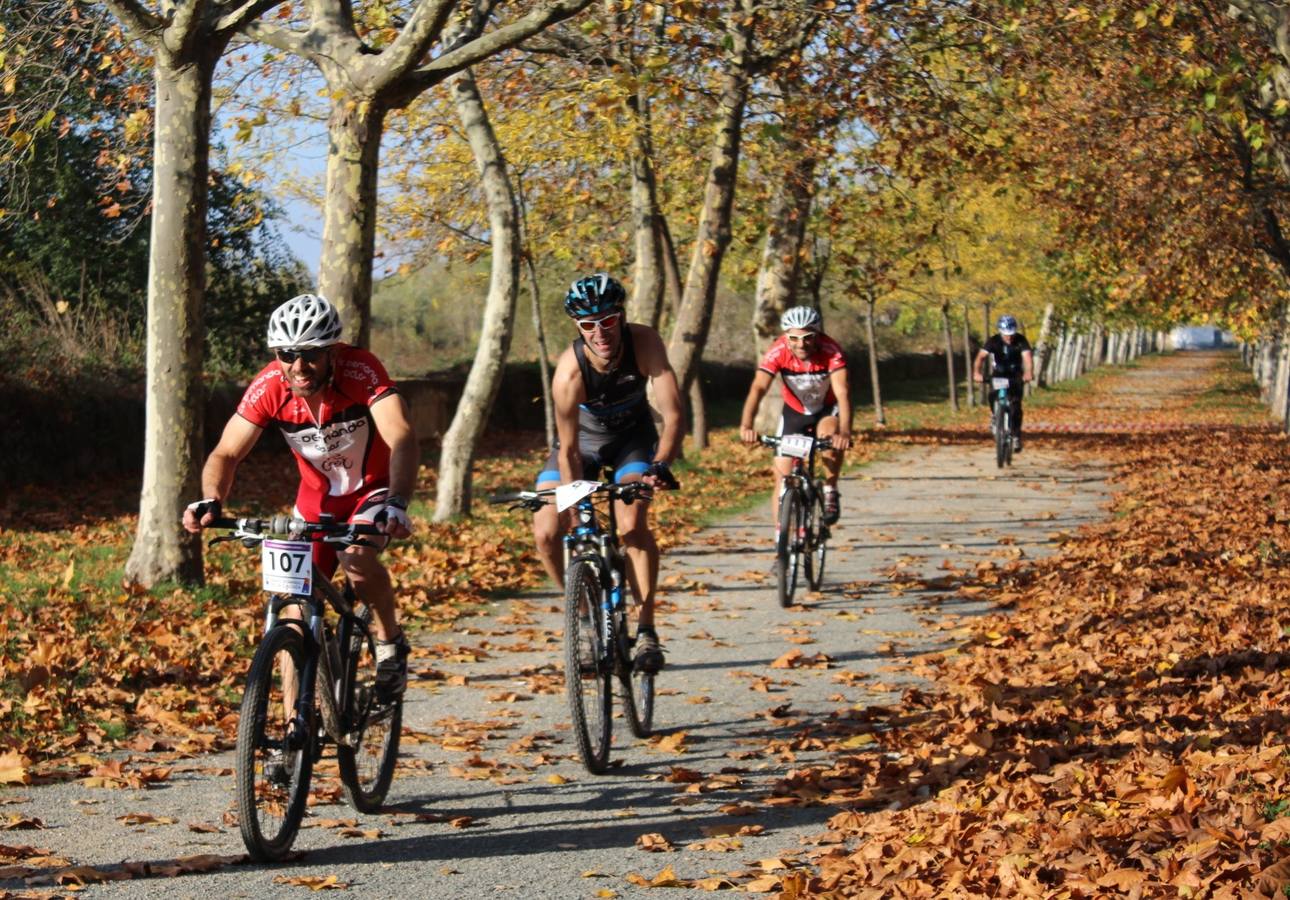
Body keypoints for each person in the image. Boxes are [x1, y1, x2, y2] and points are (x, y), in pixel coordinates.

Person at [183, 293, 418, 699]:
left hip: (372, 489)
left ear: (331, 351)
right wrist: (211, 500)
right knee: (292, 612)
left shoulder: (361, 369)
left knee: (357, 559)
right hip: (315, 501)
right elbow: (226, 452)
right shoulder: (271, 385)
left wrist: (397, 500)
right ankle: (293, 738)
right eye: (287, 354)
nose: (298, 366)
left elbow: (401, 435)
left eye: (310, 353)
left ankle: (389, 640)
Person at [532, 273, 684, 673]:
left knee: (632, 525)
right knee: (547, 531)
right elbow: (566, 449)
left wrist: (661, 464)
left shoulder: (645, 342)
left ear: (622, 316)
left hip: (632, 440)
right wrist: (574, 503)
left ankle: (647, 630)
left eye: (608, 320)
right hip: (581, 446)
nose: (599, 332)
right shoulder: (569, 373)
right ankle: (580, 615)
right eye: (588, 324)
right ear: (577, 327)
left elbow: (672, 415)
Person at [739, 305, 852, 526]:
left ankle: (830, 488)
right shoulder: (778, 350)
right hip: (795, 413)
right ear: (786, 336)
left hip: (827, 409)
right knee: (781, 478)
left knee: (829, 437)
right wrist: (746, 425)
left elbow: (842, 392)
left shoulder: (831, 351)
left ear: (817, 335)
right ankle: (781, 543)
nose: (801, 344)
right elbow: (758, 388)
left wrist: (845, 433)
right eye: (794, 338)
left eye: (808, 338)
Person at [973, 313, 1034, 452]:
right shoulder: (993, 341)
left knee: (1016, 406)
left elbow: (1027, 358)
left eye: (1011, 334)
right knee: (992, 394)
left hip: (1015, 375)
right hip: (999, 374)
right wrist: (976, 372)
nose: (1009, 337)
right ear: (1000, 331)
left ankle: (1016, 436)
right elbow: (980, 357)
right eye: (1006, 334)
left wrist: (1028, 372)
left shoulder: (1021, 340)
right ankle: (995, 416)